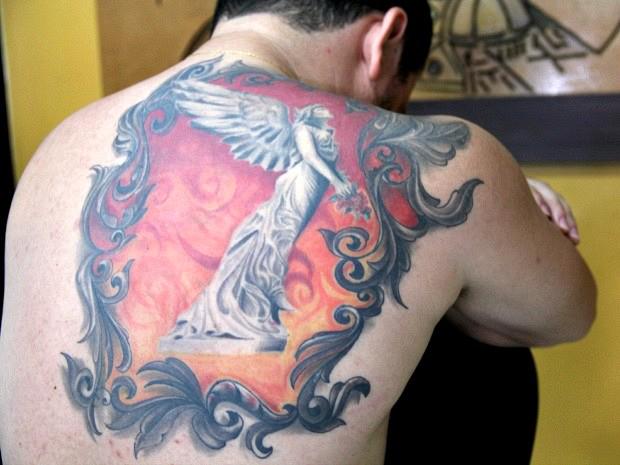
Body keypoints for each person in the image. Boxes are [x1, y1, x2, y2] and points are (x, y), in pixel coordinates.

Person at [0, 1, 596, 465]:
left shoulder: (58, 149)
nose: (391, 113)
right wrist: (499, 215)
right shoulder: (437, 157)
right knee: (483, 350)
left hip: (288, 201)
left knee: (259, 252)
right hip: (299, 193)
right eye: (397, 93)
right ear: (384, 39)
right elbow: (568, 315)